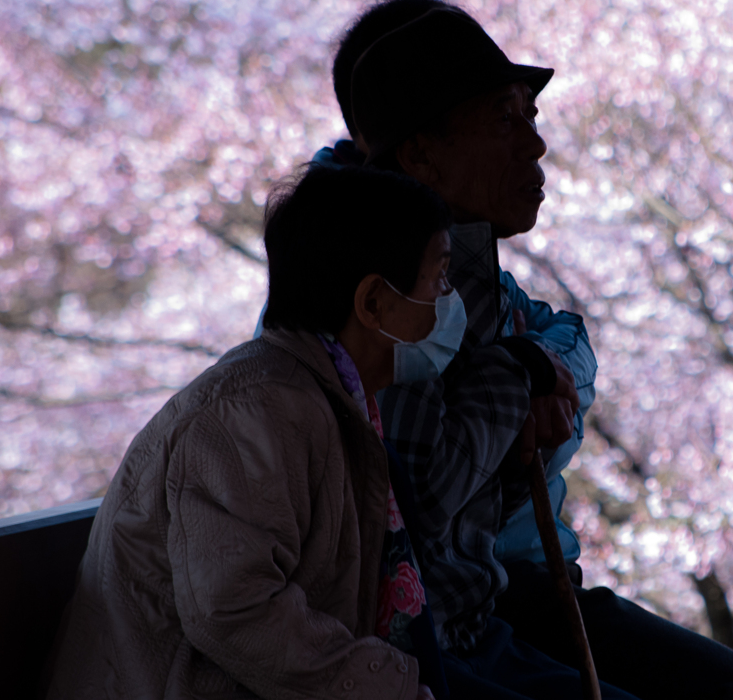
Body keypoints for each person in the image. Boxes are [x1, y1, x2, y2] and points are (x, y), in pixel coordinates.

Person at [348, 2, 733, 699]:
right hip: (441, 630)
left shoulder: (475, 271)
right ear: (420, 152)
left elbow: (563, 335)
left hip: (497, 603)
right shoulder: (391, 297)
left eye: (532, 116)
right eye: (503, 119)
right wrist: (515, 379)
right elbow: (425, 507)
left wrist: (534, 367)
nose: (534, 145)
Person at [46, 164, 458, 700]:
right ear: (374, 302)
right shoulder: (250, 413)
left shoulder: (326, 399)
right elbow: (235, 610)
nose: (451, 300)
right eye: (440, 277)